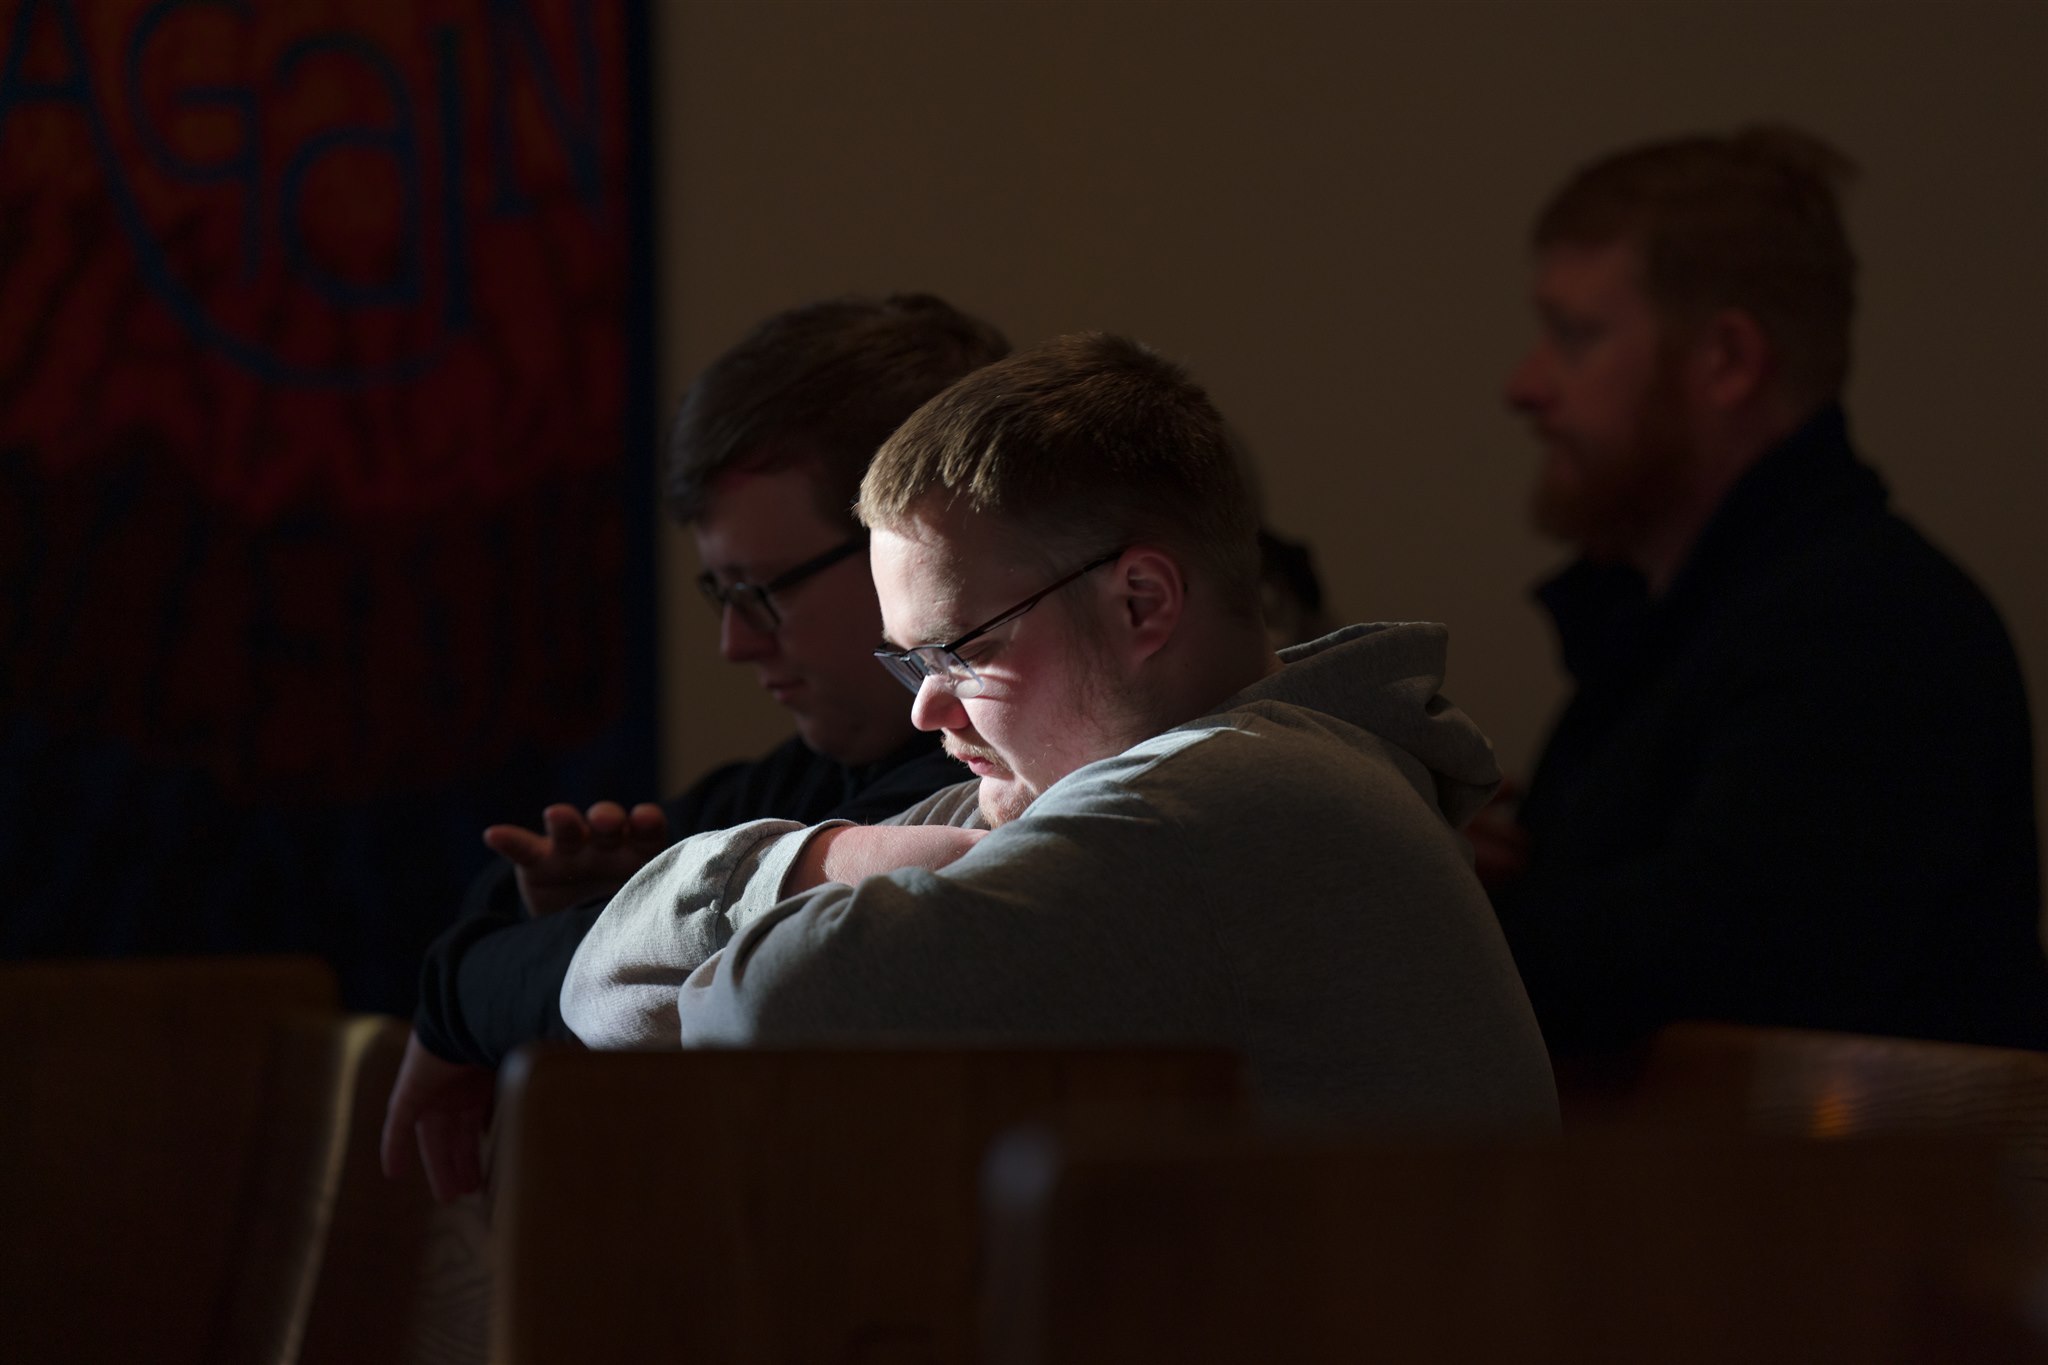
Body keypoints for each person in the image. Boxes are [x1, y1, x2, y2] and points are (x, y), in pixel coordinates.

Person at [561, 333, 1558, 1130]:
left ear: (1139, 603)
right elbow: (597, 990)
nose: (925, 708)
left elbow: (766, 1010)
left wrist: (809, 873)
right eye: (909, 660)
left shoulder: (1231, 806)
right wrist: (839, 859)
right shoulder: (1071, 794)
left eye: (959, 650)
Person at [381, 294, 1009, 1199]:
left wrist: (463, 1002)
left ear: (907, 545)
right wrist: (577, 906)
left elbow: (650, 957)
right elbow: (503, 910)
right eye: (721, 593)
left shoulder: (971, 786)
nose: (735, 644)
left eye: (760, 590)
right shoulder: (808, 772)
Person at [1475, 126, 2047, 1057]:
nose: (1525, 385)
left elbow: (1699, 971)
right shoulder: (1681, 622)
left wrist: (1413, 900)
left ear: (1729, 362)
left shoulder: (1875, 626)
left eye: (1574, 336)